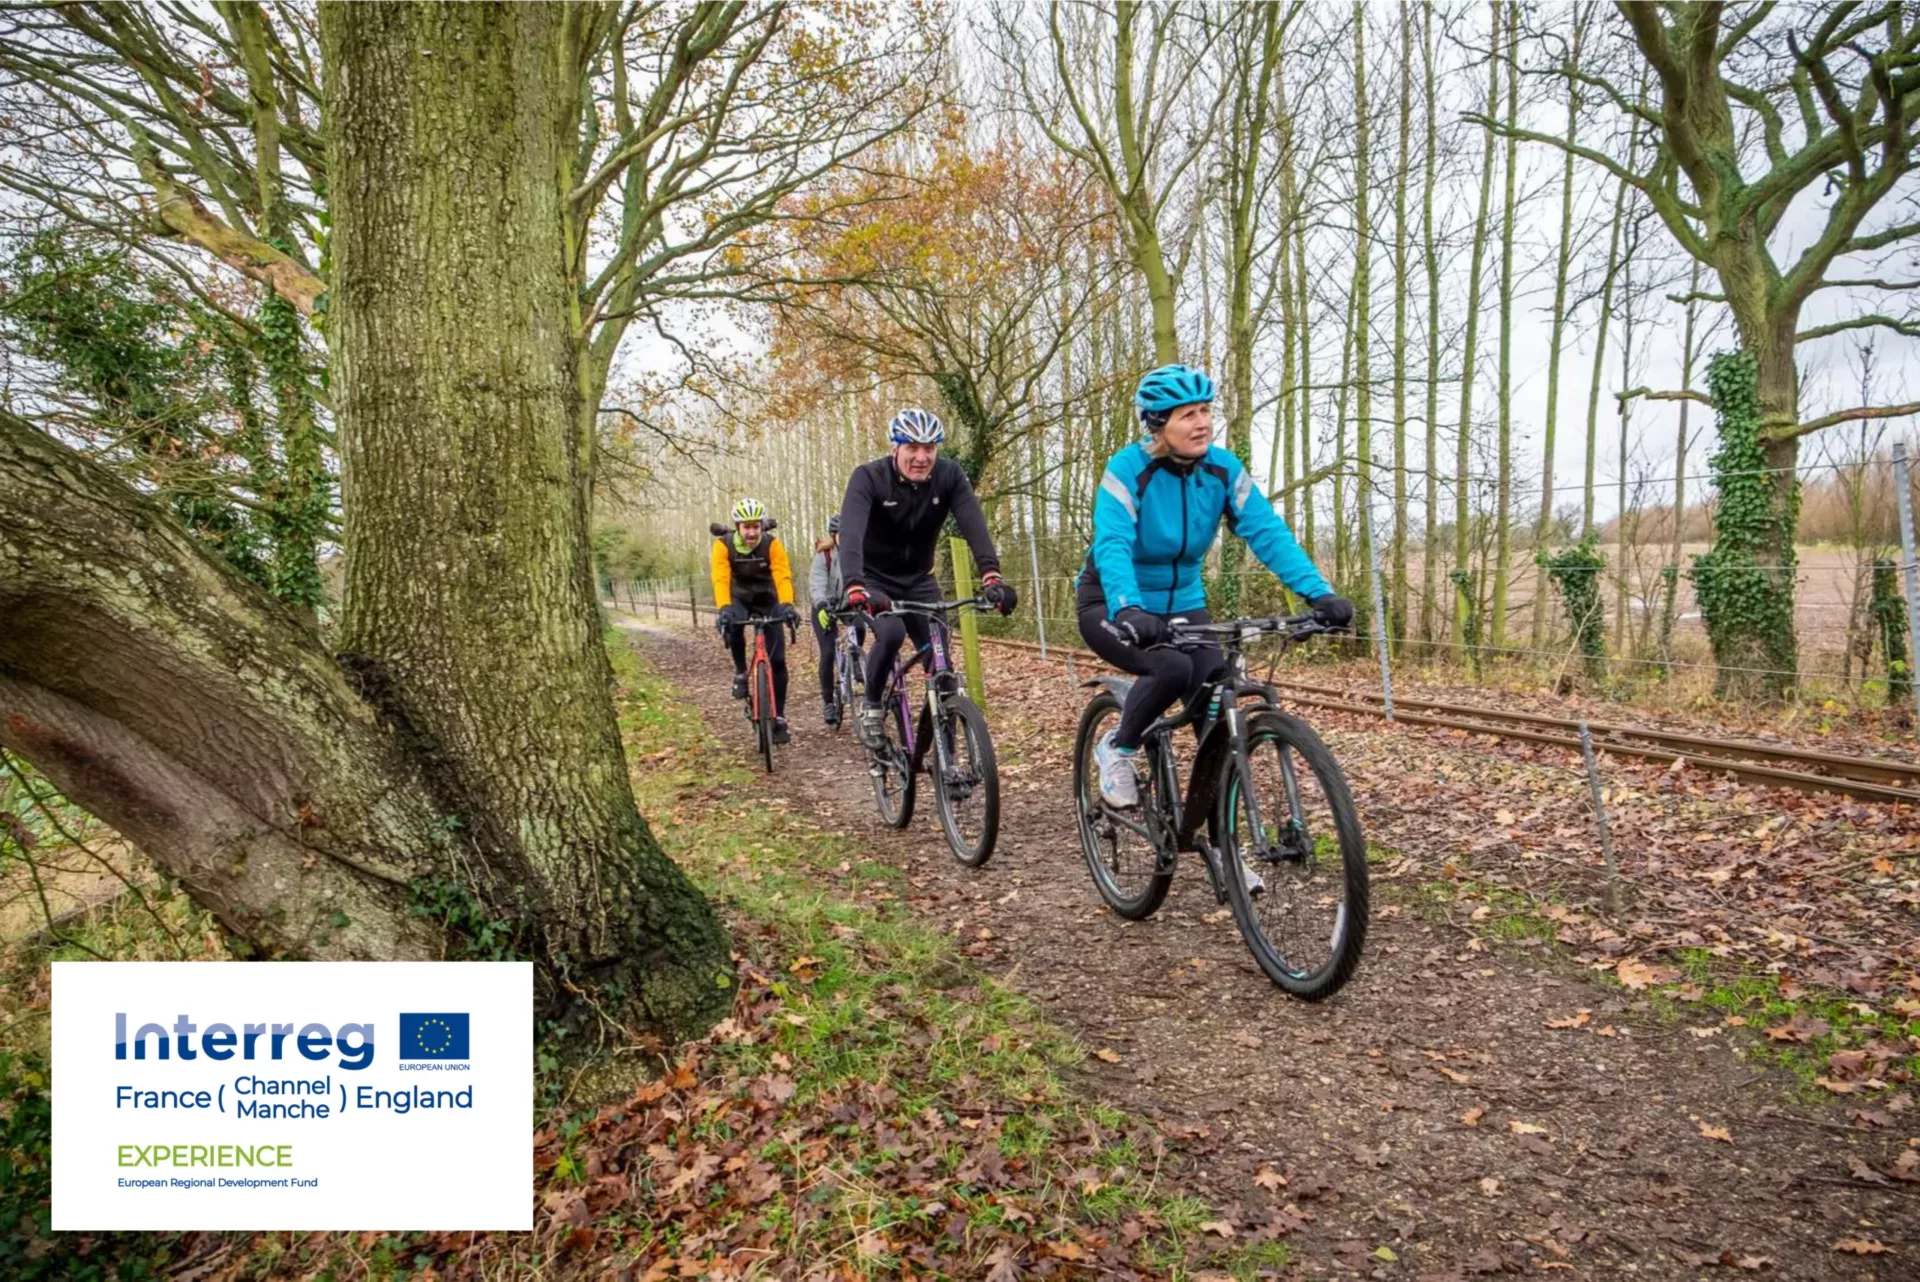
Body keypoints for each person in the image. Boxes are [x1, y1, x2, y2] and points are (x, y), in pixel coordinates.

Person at [1078, 364, 1352, 820]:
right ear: (1157, 423)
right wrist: (1128, 606)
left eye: (1205, 410)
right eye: (1187, 414)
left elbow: (1267, 531)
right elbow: (1113, 543)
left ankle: (1220, 845)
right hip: (1112, 599)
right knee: (1170, 669)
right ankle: (1118, 748)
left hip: (1184, 602)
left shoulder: (1223, 469)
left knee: (1216, 695)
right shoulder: (1128, 469)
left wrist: (1318, 593)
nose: (1202, 422)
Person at [837, 407, 1017, 748]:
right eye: (912, 448)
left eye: (929, 449)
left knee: (942, 664)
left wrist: (991, 575)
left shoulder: (949, 475)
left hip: (920, 579)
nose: (922, 457)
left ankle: (946, 762)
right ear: (896, 448)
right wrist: (854, 584)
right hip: (874, 580)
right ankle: (872, 705)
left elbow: (973, 523)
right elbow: (851, 534)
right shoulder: (869, 478)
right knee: (891, 633)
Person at [710, 497, 800, 744]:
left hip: (767, 598)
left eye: (756, 526)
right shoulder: (723, 546)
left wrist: (787, 604)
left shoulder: (772, 544)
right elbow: (720, 578)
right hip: (738, 597)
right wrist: (724, 608)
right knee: (734, 628)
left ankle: (779, 716)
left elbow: (782, 576)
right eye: (746, 527)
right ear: (738, 527)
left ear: (762, 526)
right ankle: (741, 672)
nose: (751, 532)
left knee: (778, 660)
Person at [807, 513, 864, 726]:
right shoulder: (825, 556)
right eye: (842, 534)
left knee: (859, 626)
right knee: (829, 651)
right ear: (834, 535)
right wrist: (822, 604)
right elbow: (817, 584)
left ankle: (857, 660)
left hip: (849, 605)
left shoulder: (859, 554)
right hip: (825, 608)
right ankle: (829, 701)